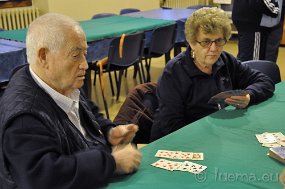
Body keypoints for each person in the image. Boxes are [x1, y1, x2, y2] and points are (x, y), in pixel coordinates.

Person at [0, 13, 141, 189]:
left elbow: (89, 114)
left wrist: (108, 132)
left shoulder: (61, 82)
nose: (85, 64)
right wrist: (111, 163)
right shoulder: (24, 116)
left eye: (85, 54)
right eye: (76, 55)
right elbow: (43, 178)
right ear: (43, 56)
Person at [150, 7, 275, 141]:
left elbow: (265, 81)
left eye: (219, 41)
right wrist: (209, 137)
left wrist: (250, 95)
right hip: (183, 141)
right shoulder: (175, 72)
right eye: (206, 42)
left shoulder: (226, 60)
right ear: (192, 43)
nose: (214, 49)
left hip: (220, 133)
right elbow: (169, 125)